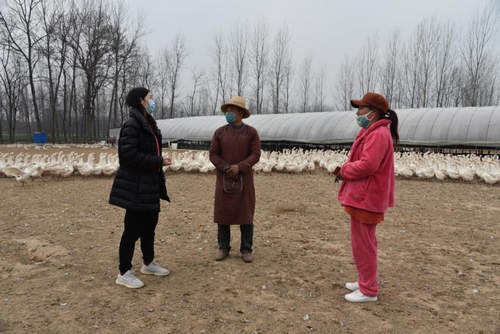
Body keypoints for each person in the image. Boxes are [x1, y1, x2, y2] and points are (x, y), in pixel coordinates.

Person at [335, 92, 398, 302]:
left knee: (364, 244)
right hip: (364, 195)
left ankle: (368, 290)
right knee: (365, 242)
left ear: (373, 112)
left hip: (367, 197)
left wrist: (344, 170)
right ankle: (365, 280)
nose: (358, 112)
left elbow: (369, 165)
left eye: (362, 108)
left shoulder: (378, 134)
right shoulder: (371, 131)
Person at [109, 87, 172, 289]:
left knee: (149, 227)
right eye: (149, 97)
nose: (152, 100)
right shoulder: (132, 124)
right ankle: (124, 271)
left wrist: (157, 163)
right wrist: (158, 161)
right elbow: (128, 156)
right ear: (141, 100)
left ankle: (148, 263)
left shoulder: (148, 123)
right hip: (136, 185)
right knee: (132, 230)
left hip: (150, 184)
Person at [209, 96, 261, 263]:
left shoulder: (251, 132)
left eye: (232, 110)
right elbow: (213, 154)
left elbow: (255, 154)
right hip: (223, 180)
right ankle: (223, 248)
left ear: (241, 112)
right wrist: (225, 167)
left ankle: (246, 249)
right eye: (227, 110)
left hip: (244, 180)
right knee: (223, 214)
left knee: (245, 214)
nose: (229, 113)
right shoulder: (219, 133)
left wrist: (240, 167)